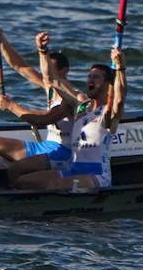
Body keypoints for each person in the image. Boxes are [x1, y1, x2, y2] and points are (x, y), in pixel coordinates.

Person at [14, 48, 126, 191]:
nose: (90, 80)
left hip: (96, 176)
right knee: (24, 181)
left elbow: (119, 100)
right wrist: (43, 52)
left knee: (56, 185)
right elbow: (52, 80)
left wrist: (120, 68)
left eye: (96, 77)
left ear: (107, 84)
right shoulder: (81, 106)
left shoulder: (107, 113)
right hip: (73, 170)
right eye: (89, 76)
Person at [0, 30, 79, 185]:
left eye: (50, 71)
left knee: (15, 170)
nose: (46, 76)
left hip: (64, 152)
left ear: (64, 71)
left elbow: (45, 119)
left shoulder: (72, 98)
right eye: (45, 71)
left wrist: (11, 106)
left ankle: (19, 200)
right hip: (46, 146)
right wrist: (1, 40)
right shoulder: (50, 87)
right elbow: (19, 66)